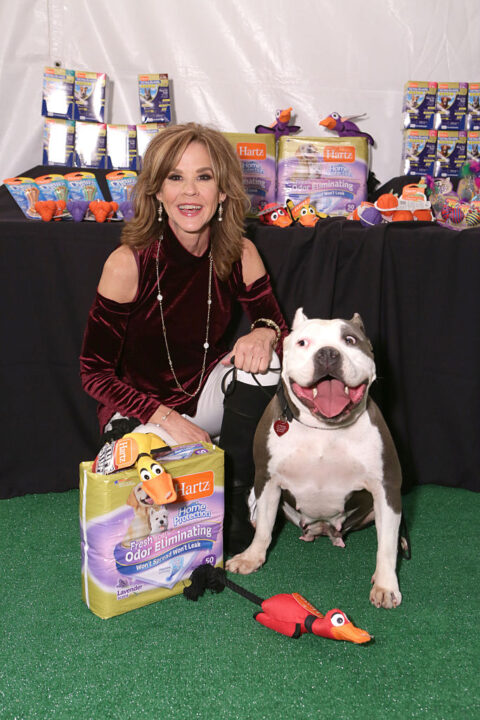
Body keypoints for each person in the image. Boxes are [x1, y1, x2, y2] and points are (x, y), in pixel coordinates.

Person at [80, 122, 288, 555]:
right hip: (143, 414)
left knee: (269, 364)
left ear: (224, 191)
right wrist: (169, 420)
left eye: (204, 177)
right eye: (175, 177)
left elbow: (280, 329)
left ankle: (236, 499)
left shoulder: (240, 252)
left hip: (202, 399)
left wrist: (265, 333)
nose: (189, 192)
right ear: (157, 192)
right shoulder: (127, 262)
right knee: (160, 499)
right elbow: (93, 374)